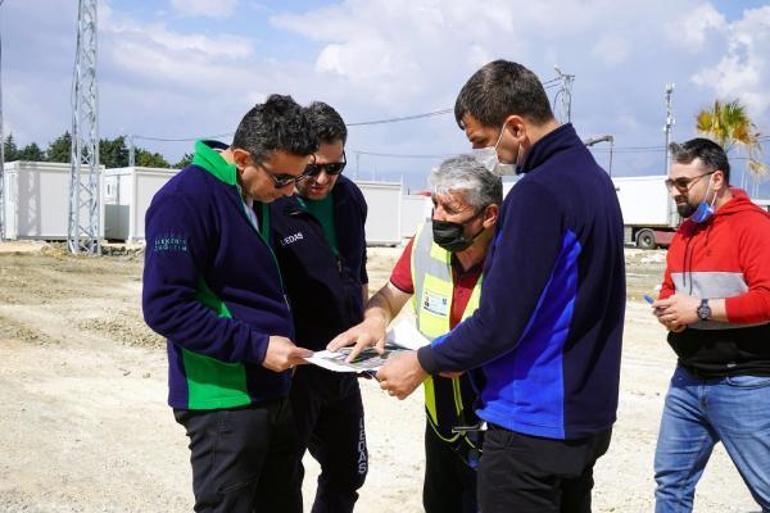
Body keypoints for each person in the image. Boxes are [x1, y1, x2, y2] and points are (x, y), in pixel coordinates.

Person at [370, 59, 626, 513]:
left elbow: (501, 321)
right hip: (584, 417)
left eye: (484, 142)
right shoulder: (594, 181)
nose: (490, 157)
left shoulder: (538, 192)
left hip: (531, 421)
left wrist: (422, 363)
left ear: (515, 126)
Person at [142, 94, 317, 513]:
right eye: (282, 179)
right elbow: (165, 306)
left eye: (298, 177)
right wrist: (256, 347)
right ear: (241, 158)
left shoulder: (257, 195)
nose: (290, 191)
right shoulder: (185, 200)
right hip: (223, 399)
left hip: (273, 390)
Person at [330, 155, 501, 513]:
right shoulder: (425, 240)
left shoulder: (513, 256)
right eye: (434, 203)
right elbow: (389, 296)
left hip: (497, 429)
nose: (437, 216)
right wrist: (375, 318)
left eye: (450, 209)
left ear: (488, 216)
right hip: (441, 424)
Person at [651, 138, 770, 513]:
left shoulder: (753, 226)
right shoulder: (685, 232)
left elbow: (767, 299)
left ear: (715, 179)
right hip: (688, 379)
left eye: (683, 183)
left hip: (744, 383)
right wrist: (669, 309)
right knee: (670, 485)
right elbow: (673, 289)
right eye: (671, 183)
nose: (675, 192)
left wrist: (699, 311)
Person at [270, 101, 369, 513]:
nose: (323, 179)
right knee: (282, 473)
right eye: (313, 169)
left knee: (349, 470)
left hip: (342, 362)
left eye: (335, 167)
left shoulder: (350, 199)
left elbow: (359, 274)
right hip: (297, 369)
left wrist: (364, 331)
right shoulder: (271, 206)